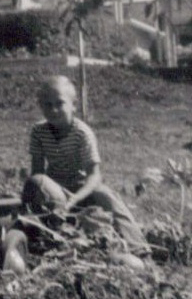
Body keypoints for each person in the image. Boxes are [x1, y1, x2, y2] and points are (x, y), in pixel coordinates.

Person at [21, 75, 150, 257]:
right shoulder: (38, 131)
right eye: (47, 105)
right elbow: (37, 171)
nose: (54, 110)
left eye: (60, 103)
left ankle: (138, 246)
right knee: (36, 184)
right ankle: (42, 238)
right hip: (56, 188)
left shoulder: (82, 133)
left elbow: (94, 176)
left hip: (82, 190)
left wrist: (74, 199)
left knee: (106, 195)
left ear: (73, 105)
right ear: (41, 107)